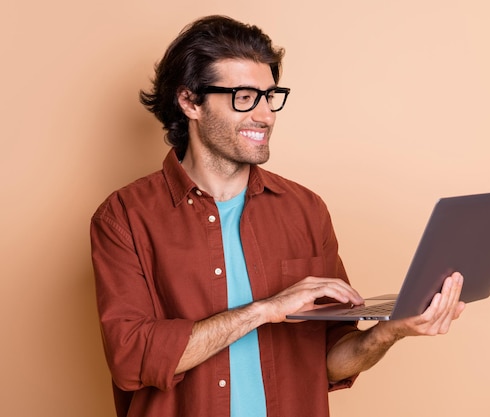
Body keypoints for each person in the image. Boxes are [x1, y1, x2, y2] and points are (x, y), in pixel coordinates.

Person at [90, 15, 465, 417]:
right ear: (190, 102)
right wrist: (265, 309)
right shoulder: (124, 217)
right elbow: (132, 359)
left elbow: (327, 361)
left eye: (270, 96)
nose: (266, 115)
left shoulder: (306, 210)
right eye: (245, 97)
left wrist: (393, 330)